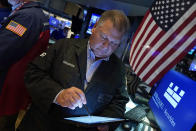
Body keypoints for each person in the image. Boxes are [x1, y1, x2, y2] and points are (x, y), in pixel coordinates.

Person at [18, 10, 130, 131]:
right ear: (95, 27)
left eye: (114, 43)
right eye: (104, 37)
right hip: (42, 124)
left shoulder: (118, 68)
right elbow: (33, 72)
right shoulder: (64, 46)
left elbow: (120, 101)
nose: (106, 46)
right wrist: (58, 94)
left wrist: (107, 121)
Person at [0, 0, 50, 130]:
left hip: (6, 85)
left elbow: (4, 49)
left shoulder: (27, 16)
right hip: (14, 86)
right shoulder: (35, 14)